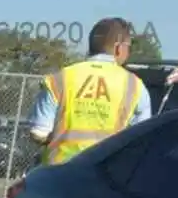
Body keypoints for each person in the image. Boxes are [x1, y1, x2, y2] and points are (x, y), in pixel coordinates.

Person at [27, 17, 152, 166]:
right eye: (129, 47)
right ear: (119, 48)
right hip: (104, 176)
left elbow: (38, 132)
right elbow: (140, 140)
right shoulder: (135, 86)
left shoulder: (60, 78)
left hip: (58, 175)